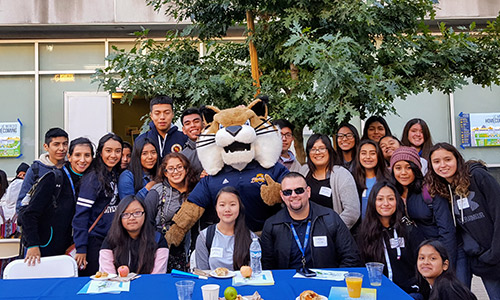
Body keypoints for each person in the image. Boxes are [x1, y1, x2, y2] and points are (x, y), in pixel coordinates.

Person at [426, 143, 500, 299]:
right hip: (480, 256)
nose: (443, 165)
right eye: (437, 161)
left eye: (447, 159)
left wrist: (494, 253)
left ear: (457, 159)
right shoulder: (445, 188)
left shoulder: (478, 176)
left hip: (495, 253)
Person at [261, 172, 361, 270]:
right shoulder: (272, 225)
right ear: (282, 196)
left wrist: (334, 282)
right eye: (287, 192)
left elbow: (351, 257)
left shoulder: (330, 218)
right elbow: (267, 266)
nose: (293, 195)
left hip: (324, 283)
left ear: (308, 192)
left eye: (299, 190)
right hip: (288, 283)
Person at [22, 137, 94, 265]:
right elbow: (29, 214)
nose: (82, 160)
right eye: (77, 155)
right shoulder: (54, 178)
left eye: (87, 155)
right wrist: (33, 245)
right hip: (45, 248)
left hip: (74, 249)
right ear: (69, 157)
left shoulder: (92, 181)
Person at [357, 181, 425, 296]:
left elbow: (421, 262)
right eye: (380, 199)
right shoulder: (364, 232)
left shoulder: (409, 229)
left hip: (408, 292)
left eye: (390, 199)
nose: (386, 203)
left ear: (397, 201)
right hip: (377, 293)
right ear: (373, 202)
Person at [390, 147, 456, 265]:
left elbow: (446, 229)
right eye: (398, 168)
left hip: (443, 251)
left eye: (409, 167)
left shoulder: (429, 190)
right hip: (417, 255)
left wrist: (446, 261)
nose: (403, 172)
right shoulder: (391, 193)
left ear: (416, 169)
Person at [72, 133, 123, 276]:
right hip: (94, 242)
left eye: (117, 151)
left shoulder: (114, 174)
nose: (113, 155)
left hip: (111, 240)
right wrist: (81, 248)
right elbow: (81, 215)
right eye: (108, 151)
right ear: (100, 152)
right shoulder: (93, 178)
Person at [144, 152, 198, 272]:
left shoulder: (195, 191)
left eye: (179, 167)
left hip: (187, 251)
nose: (176, 172)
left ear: (186, 169)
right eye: (171, 169)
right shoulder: (157, 192)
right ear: (165, 172)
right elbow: (147, 223)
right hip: (161, 250)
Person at [299, 134, 359, 229]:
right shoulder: (303, 171)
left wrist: (331, 230)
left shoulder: (342, 174)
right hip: (305, 232)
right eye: (313, 149)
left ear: (329, 151)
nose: (317, 152)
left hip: (333, 233)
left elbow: (352, 212)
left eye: (322, 148)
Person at [99, 195, 168, 274]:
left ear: (145, 214)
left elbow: (157, 275)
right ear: (119, 217)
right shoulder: (110, 240)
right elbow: (108, 276)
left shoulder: (158, 240)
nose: (131, 218)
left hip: (149, 285)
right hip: (118, 285)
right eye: (126, 214)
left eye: (137, 212)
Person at [195, 186, 257, 271]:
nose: (227, 209)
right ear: (216, 208)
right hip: (213, 284)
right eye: (222, 205)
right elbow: (202, 274)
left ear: (240, 207)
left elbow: (254, 273)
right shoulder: (204, 237)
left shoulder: (252, 238)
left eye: (232, 204)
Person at [17, 128, 69, 212]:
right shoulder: (35, 170)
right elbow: (22, 202)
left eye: (65, 144)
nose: (62, 148)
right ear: (46, 146)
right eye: (56, 144)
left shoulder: (70, 168)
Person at [135, 95, 187, 160]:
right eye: (157, 113)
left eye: (167, 113)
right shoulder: (141, 140)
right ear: (151, 116)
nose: (162, 117)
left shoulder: (184, 138)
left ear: (172, 114)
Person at [352, 140, 389, 220]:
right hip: (360, 229)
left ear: (378, 156)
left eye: (372, 153)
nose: (368, 157)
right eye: (363, 153)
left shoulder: (388, 179)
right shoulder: (352, 179)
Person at [180, 108, 204, 177]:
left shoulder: (217, 144)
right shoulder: (182, 156)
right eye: (188, 123)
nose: (192, 125)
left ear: (204, 124)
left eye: (196, 121)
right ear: (184, 130)